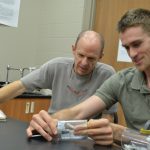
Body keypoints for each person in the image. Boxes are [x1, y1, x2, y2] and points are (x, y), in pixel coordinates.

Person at [26, 8, 150, 145]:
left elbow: (120, 134)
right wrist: (48, 122)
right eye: (127, 47)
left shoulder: (109, 73)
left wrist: (119, 133)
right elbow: (77, 112)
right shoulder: (123, 80)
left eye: (137, 44)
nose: (132, 54)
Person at [0, 31, 117, 119]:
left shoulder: (107, 75)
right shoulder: (57, 66)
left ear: (101, 56)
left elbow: (108, 117)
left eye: (91, 58)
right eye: (81, 55)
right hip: (54, 126)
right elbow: (20, 86)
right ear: (73, 49)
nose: (84, 63)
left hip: (86, 134)